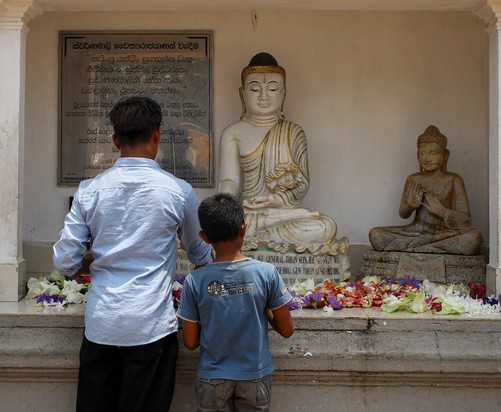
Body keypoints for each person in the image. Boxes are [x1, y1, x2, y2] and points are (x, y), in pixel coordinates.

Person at [53, 96, 212, 412]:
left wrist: (93, 258)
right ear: (157, 134)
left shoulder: (89, 191)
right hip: (151, 327)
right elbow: (201, 254)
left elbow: (63, 262)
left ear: (114, 140)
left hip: (102, 326)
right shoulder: (178, 191)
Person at [217, 52, 347, 255]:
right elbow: (229, 181)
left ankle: (259, 234)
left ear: (284, 93)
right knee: (220, 225)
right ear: (242, 94)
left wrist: (274, 200)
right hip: (248, 212)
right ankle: (256, 232)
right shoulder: (232, 133)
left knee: (325, 226)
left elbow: (301, 185)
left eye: (273, 89)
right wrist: (221, 211)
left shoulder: (294, 132)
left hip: (284, 211)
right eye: (254, 89)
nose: (263, 96)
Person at [177, 193, 294, 412]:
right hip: (254, 377)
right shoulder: (266, 273)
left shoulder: (195, 281)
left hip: (212, 379)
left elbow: (191, 342)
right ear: (244, 228)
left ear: (204, 237)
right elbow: (287, 329)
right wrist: (264, 309)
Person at [368, 125, 483, 255]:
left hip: (444, 233)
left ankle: (416, 247)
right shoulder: (413, 179)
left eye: (433, 153)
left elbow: (465, 221)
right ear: (417, 155)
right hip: (415, 231)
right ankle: (431, 248)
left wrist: (442, 212)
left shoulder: (454, 180)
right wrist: (410, 206)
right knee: (376, 234)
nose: (427, 158)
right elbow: (403, 213)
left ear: (445, 155)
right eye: (423, 153)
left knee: (474, 237)